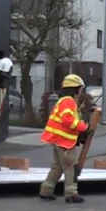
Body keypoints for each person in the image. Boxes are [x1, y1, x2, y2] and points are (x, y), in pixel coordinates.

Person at [38, 74, 92, 203]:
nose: (81, 92)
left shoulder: (64, 101)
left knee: (57, 167)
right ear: (75, 89)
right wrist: (84, 127)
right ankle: (71, 193)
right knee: (70, 166)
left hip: (59, 141)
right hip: (64, 142)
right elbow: (68, 121)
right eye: (80, 89)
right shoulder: (68, 101)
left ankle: (46, 191)